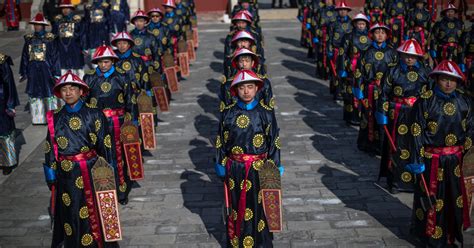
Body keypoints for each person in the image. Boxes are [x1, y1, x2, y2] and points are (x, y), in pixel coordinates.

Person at [399, 60, 472, 247]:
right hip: (431, 159)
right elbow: (415, 131)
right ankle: (428, 237)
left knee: (452, 197)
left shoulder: (465, 101)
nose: (448, 83)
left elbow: (471, 129)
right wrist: (416, 159)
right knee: (430, 200)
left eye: (452, 79)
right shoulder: (425, 101)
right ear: (436, 79)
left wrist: (466, 156)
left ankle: (450, 235)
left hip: (455, 160)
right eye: (444, 78)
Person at [43, 71, 118, 247]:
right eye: (64, 89)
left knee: (96, 211)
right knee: (70, 212)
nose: (68, 92)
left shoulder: (94, 113)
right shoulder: (55, 117)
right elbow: (50, 148)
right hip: (66, 173)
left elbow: (106, 145)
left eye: (72, 88)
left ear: (81, 91)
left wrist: (108, 172)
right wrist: (51, 175)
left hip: (91, 169)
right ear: (59, 93)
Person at [215, 69, 282, 247]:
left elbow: (274, 140)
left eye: (250, 87)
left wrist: (275, 165)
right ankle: (236, 241)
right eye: (242, 87)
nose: (246, 91)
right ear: (235, 90)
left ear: (257, 88)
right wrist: (221, 163)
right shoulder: (228, 112)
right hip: (235, 168)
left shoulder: (266, 112)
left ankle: (260, 242)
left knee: (258, 206)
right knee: (236, 207)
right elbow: (220, 140)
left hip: (258, 168)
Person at [377, 39, 431, 194]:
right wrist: (382, 112)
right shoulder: (392, 70)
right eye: (406, 55)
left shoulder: (424, 71)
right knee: (396, 146)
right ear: (401, 55)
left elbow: (431, 93)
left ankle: (415, 182)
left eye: (413, 56)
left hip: (418, 114)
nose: (409, 58)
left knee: (416, 146)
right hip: (397, 113)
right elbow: (384, 93)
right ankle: (395, 181)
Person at [83, 44, 134, 205]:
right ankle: (102, 190)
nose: (103, 65)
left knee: (118, 156)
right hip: (97, 124)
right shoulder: (89, 78)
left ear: (113, 61)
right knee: (99, 156)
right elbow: (84, 102)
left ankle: (121, 191)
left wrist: (131, 122)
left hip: (117, 122)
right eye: (100, 62)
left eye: (107, 62)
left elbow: (130, 102)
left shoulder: (122, 76)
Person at [356, 23, 398, 155]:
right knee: (368, 116)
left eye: (383, 32)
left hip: (386, 91)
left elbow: (396, 73)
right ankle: (368, 144)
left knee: (384, 117)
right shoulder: (366, 52)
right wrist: (359, 90)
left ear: (387, 35)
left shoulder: (392, 53)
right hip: (370, 89)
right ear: (372, 35)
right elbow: (359, 72)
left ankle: (383, 145)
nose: (380, 35)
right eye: (377, 32)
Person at [20, 13, 60, 125]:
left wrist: (56, 73)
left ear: (43, 25)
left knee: (50, 93)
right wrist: (24, 71)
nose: (37, 27)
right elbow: (25, 56)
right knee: (35, 94)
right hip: (33, 71)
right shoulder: (29, 40)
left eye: (39, 25)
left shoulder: (50, 39)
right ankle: (38, 119)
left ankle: (53, 117)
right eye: (35, 25)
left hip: (47, 71)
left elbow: (55, 56)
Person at [338, 12, 371, 126]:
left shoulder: (370, 37)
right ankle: (351, 117)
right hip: (351, 67)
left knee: (364, 91)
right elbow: (342, 54)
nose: (361, 26)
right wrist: (343, 69)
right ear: (355, 24)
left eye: (363, 24)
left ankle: (363, 116)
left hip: (365, 68)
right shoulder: (348, 36)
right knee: (350, 92)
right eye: (359, 23)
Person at [111, 31, 150, 126]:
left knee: (134, 122)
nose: (122, 46)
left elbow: (144, 78)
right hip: (117, 97)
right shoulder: (111, 58)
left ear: (129, 44)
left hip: (135, 96)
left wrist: (147, 94)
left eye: (124, 43)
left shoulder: (137, 59)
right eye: (119, 43)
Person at [52, 0, 86, 78]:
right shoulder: (58, 21)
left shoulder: (77, 20)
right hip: (62, 49)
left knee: (78, 69)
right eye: (63, 8)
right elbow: (54, 36)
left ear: (71, 9)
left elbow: (83, 34)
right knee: (63, 69)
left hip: (75, 48)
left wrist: (84, 47)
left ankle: (81, 86)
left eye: (67, 8)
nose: (65, 10)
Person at [327, 0, 352, 100]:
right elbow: (329, 38)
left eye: (344, 10)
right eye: (340, 10)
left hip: (348, 52)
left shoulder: (351, 23)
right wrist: (329, 50)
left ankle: (345, 90)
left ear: (347, 11)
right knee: (336, 72)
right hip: (336, 50)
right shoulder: (333, 24)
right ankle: (336, 91)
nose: (342, 12)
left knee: (346, 72)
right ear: (337, 11)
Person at [0, 53, 20, 175]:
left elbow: (9, 83)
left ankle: (8, 162)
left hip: (1, 101)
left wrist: (10, 104)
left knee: (4, 131)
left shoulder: (2, 60)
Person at [430, 3, 465, 67]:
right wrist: (432, 50)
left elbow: (463, 39)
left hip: (456, 50)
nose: (450, 13)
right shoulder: (439, 23)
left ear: (454, 12)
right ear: (445, 13)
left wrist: (462, 53)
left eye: (452, 11)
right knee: (442, 67)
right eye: (448, 11)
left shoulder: (460, 23)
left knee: (455, 69)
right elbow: (433, 38)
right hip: (442, 49)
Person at [311, 0, 336, 79]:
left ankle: (331, 74)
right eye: (327, 0)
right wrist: (315, 35)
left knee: (332, 55)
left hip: (333, 36)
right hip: (322, 35)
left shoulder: (337, 10)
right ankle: (321, 73)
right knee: (321, 54)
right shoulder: (320, 10)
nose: (328, 1)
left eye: (330, 0)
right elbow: (315, 23)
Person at [130, 9, 159, 74]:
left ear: (145, 22)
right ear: (134, 22)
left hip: (148, 65)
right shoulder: (129, 36)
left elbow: (156, 54)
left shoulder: (151, 36)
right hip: (133, 66)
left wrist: (157, 70)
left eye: (141, 21)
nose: (139, 23)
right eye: (136, 21)